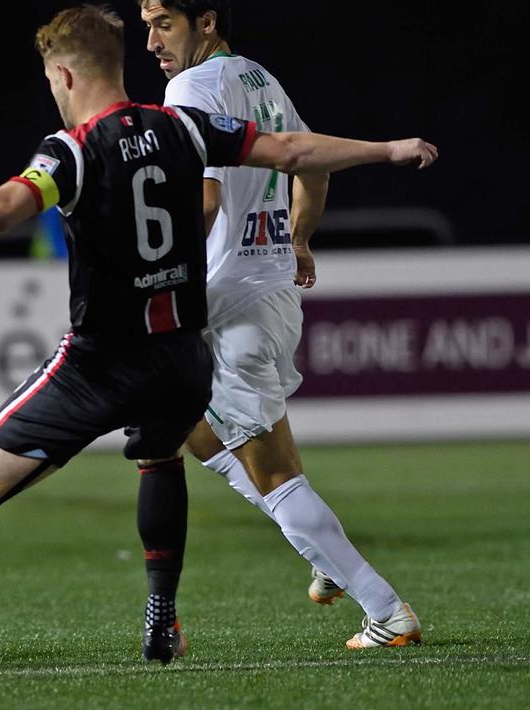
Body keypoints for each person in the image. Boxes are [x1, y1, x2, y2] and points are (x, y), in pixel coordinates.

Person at [0, 5, 436, 683]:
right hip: (181, 357)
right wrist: (386, 152)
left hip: (106, 359)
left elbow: (3, 208)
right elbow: (295, 153)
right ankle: (165, 619)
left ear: (64, 76)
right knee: (168, 448)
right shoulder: (184, 126)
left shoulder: (75, 148)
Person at [139, 0, 422, 650]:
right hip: (265, 291)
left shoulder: (191, 87)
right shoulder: (259, 79)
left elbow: (204, 200)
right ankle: (325, 559)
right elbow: (309, 163)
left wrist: (156, 272)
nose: (151, 41)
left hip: (229, 302)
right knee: (176, 419)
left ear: (206, 21)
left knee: (273, 470)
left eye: (164, 23)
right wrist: (297, 239)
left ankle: (385, 610)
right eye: (146, 25)